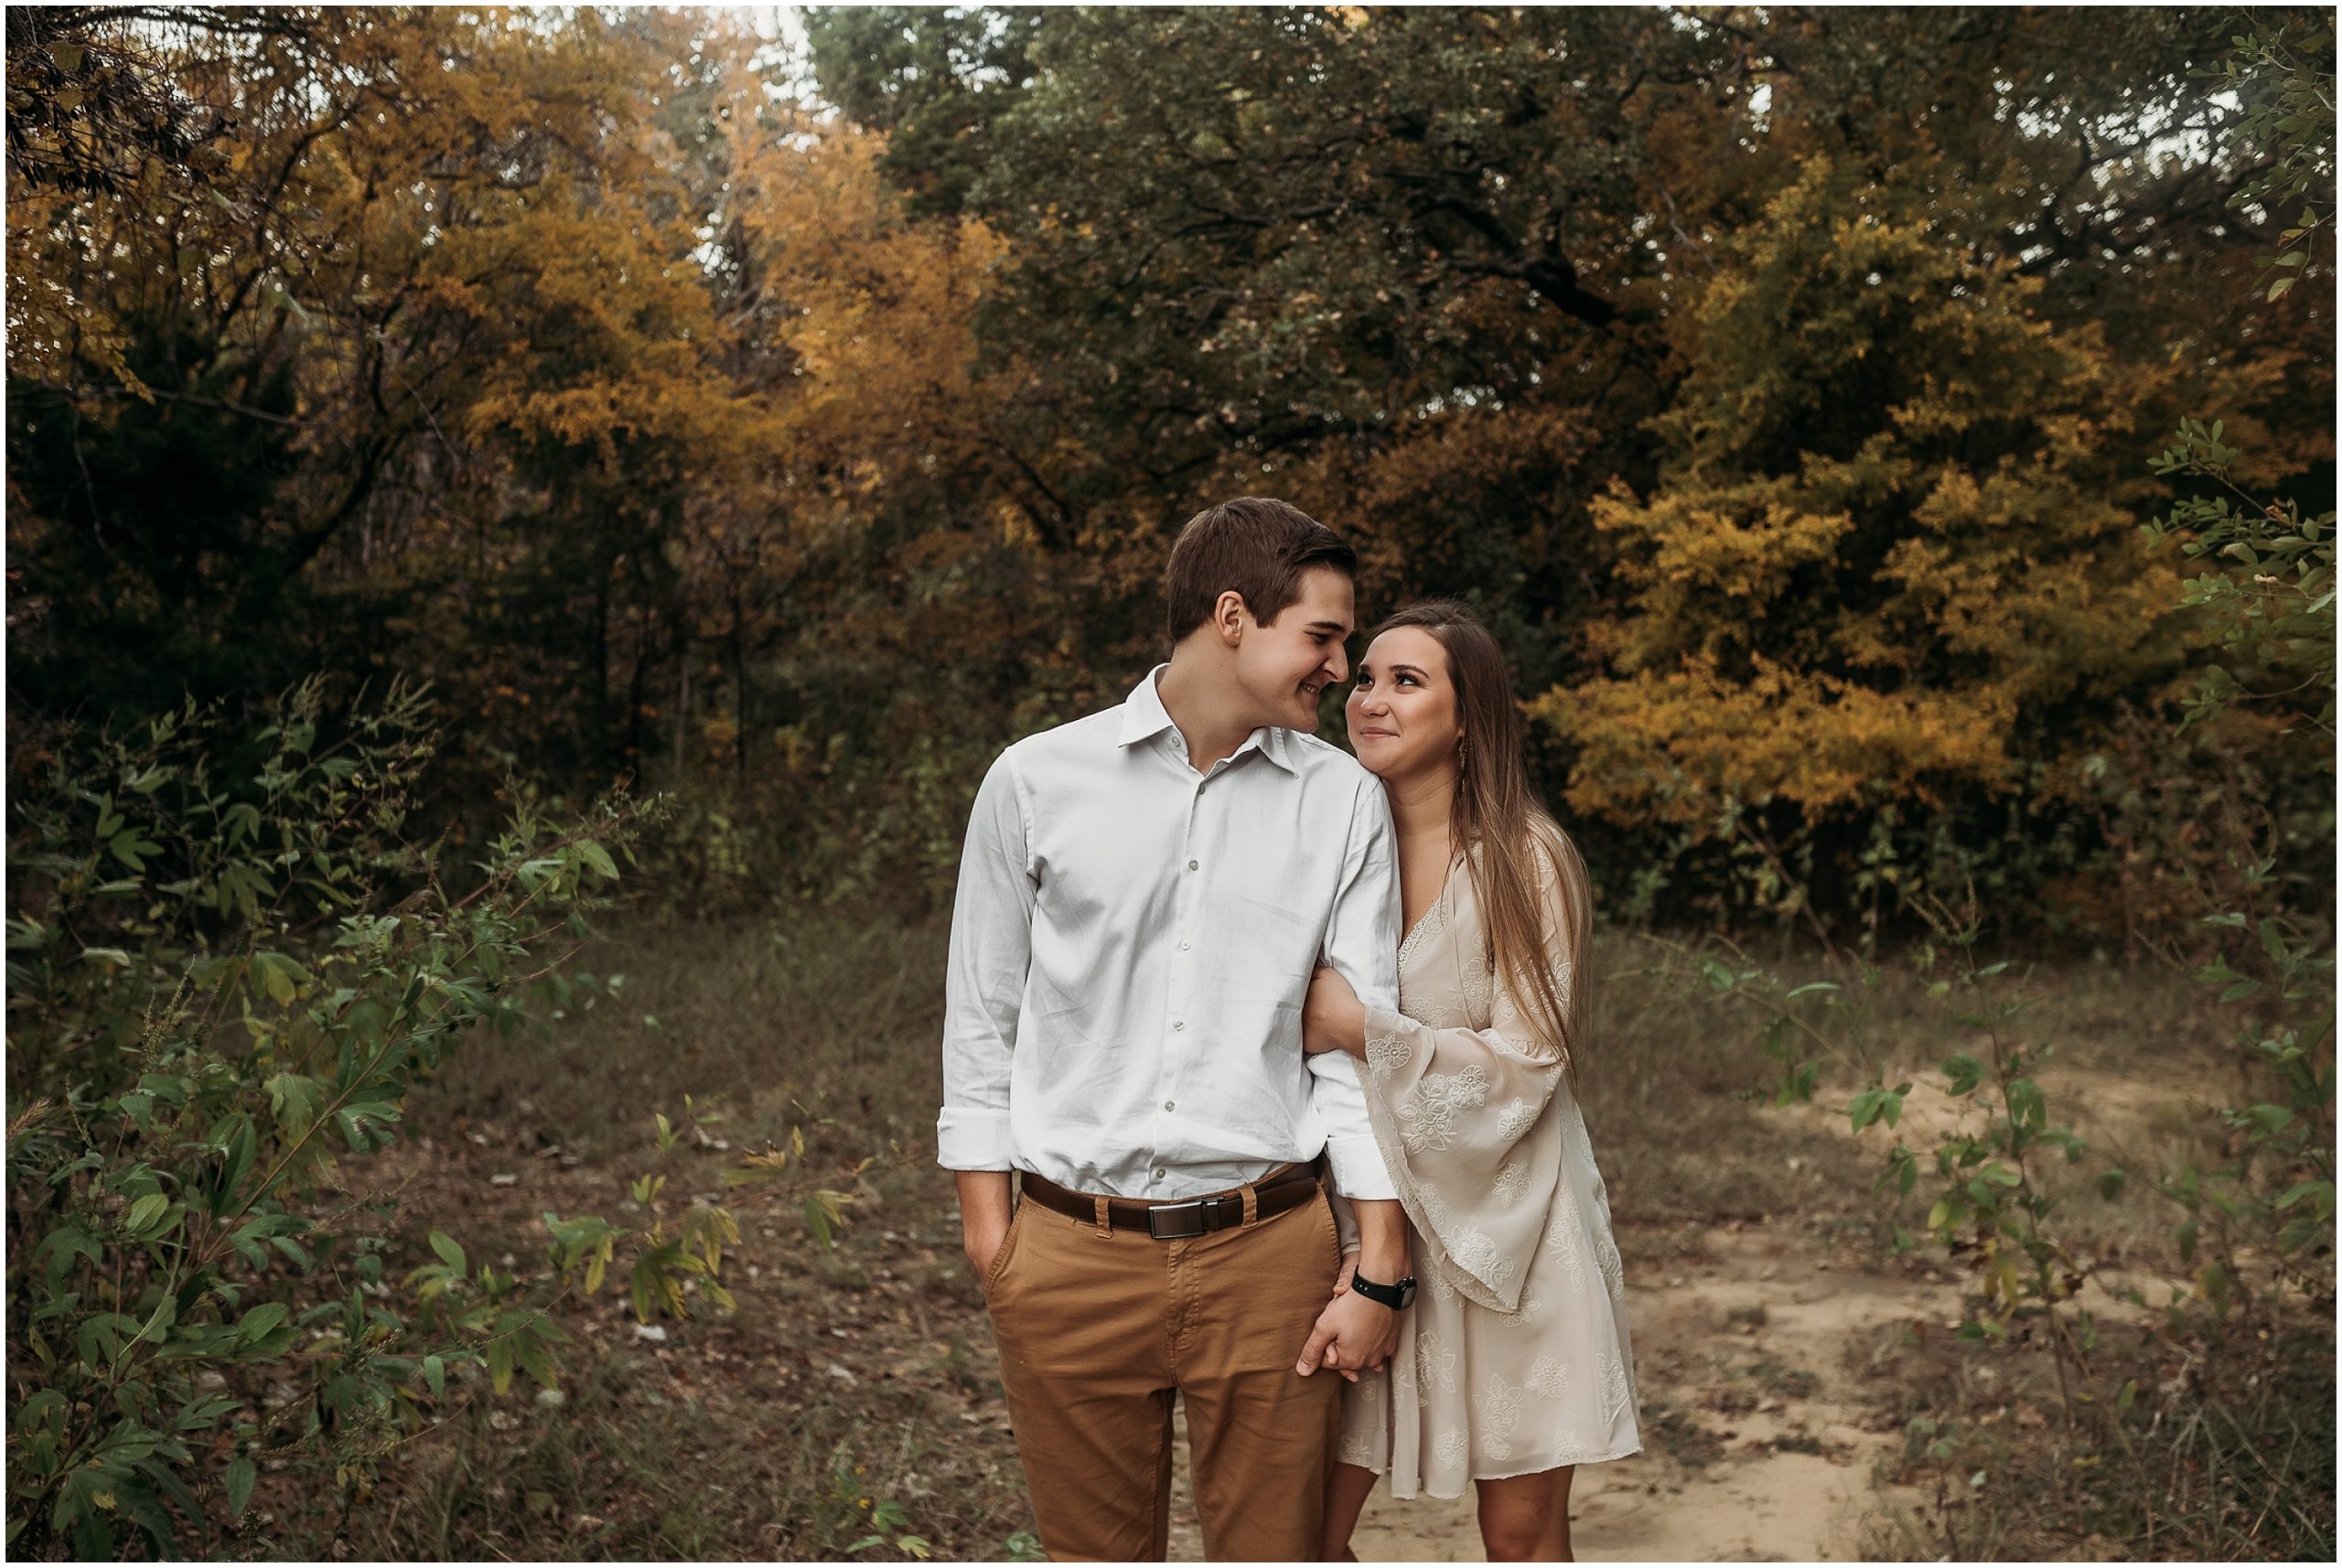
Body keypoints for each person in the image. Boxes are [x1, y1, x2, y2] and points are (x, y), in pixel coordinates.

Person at [938, 497, 1416, 1562]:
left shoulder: (1341, 800)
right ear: (1234, 614)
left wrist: (1377, 1256)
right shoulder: (1035, 780)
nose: (1339, 668)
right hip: (1068, 1255)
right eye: (1325, 637)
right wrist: (993, 1239)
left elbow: (1348, 1054)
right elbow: (981, 1017)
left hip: (1270, 1259)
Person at [1305, 600, 1642, 1563]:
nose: (1369, 698)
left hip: (1518, 1231)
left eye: (1405, 682)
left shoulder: (1526, 860)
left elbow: (1532, 1061)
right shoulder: (1330, 847)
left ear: (1466, 718)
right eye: (1364, 677)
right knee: (1298, 1527)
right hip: (1367, 1227)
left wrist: (1365, 1031)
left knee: (1523, 1537)